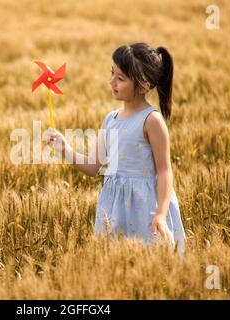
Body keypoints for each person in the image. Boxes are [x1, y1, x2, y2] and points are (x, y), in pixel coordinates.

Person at [45, 43, 186, 256]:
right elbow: (93, 166)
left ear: (143, 85)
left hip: (144, 206)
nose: (112, 81)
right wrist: (64, 148)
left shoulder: (151, 120)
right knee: (117, 263)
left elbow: (165, 171)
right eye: (112, 73)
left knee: (149, 261)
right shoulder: (110, 119)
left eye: (121, 78)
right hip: (115, 207)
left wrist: (160, 213)